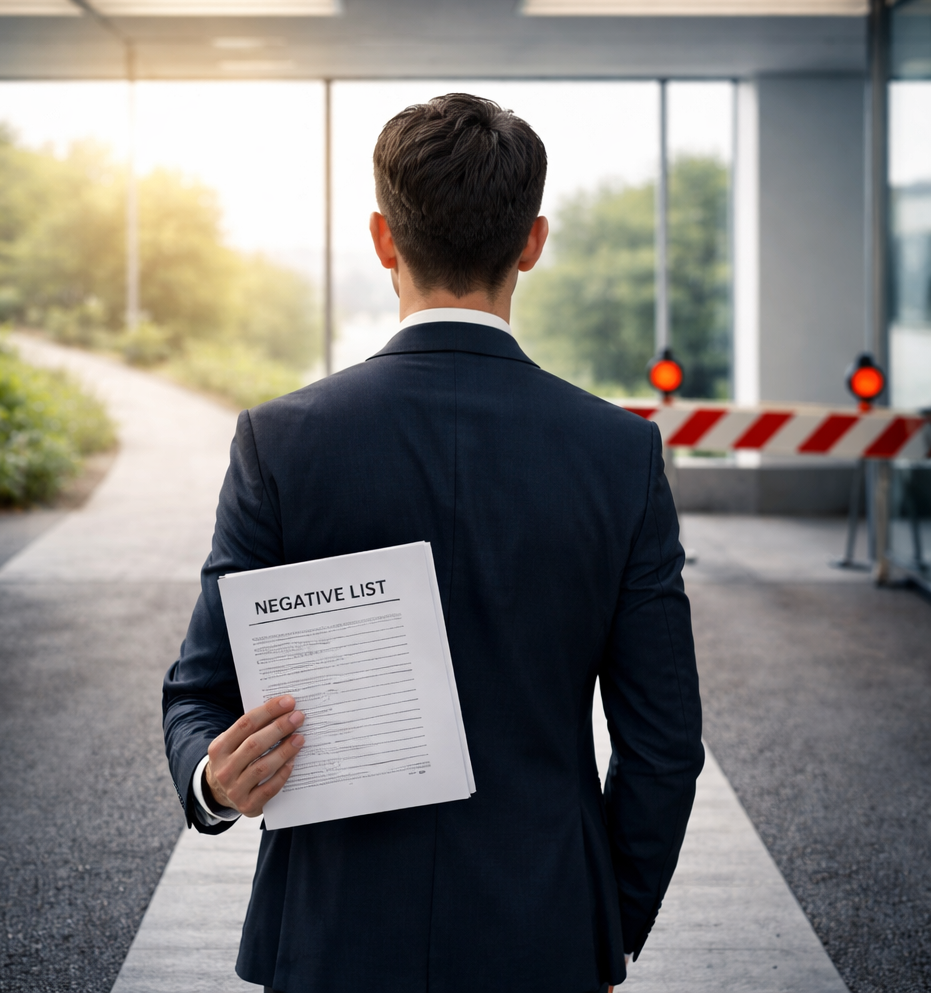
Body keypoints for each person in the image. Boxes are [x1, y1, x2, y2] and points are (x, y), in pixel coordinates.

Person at [162, 93, 704, 993]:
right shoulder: (620, 453)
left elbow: (198, 690)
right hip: (547, 934)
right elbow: (663, 743)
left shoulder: (282, 441)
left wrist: (213, 785)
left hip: (329, 934)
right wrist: (604, 919)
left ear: (384, 239)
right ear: (533, 242)